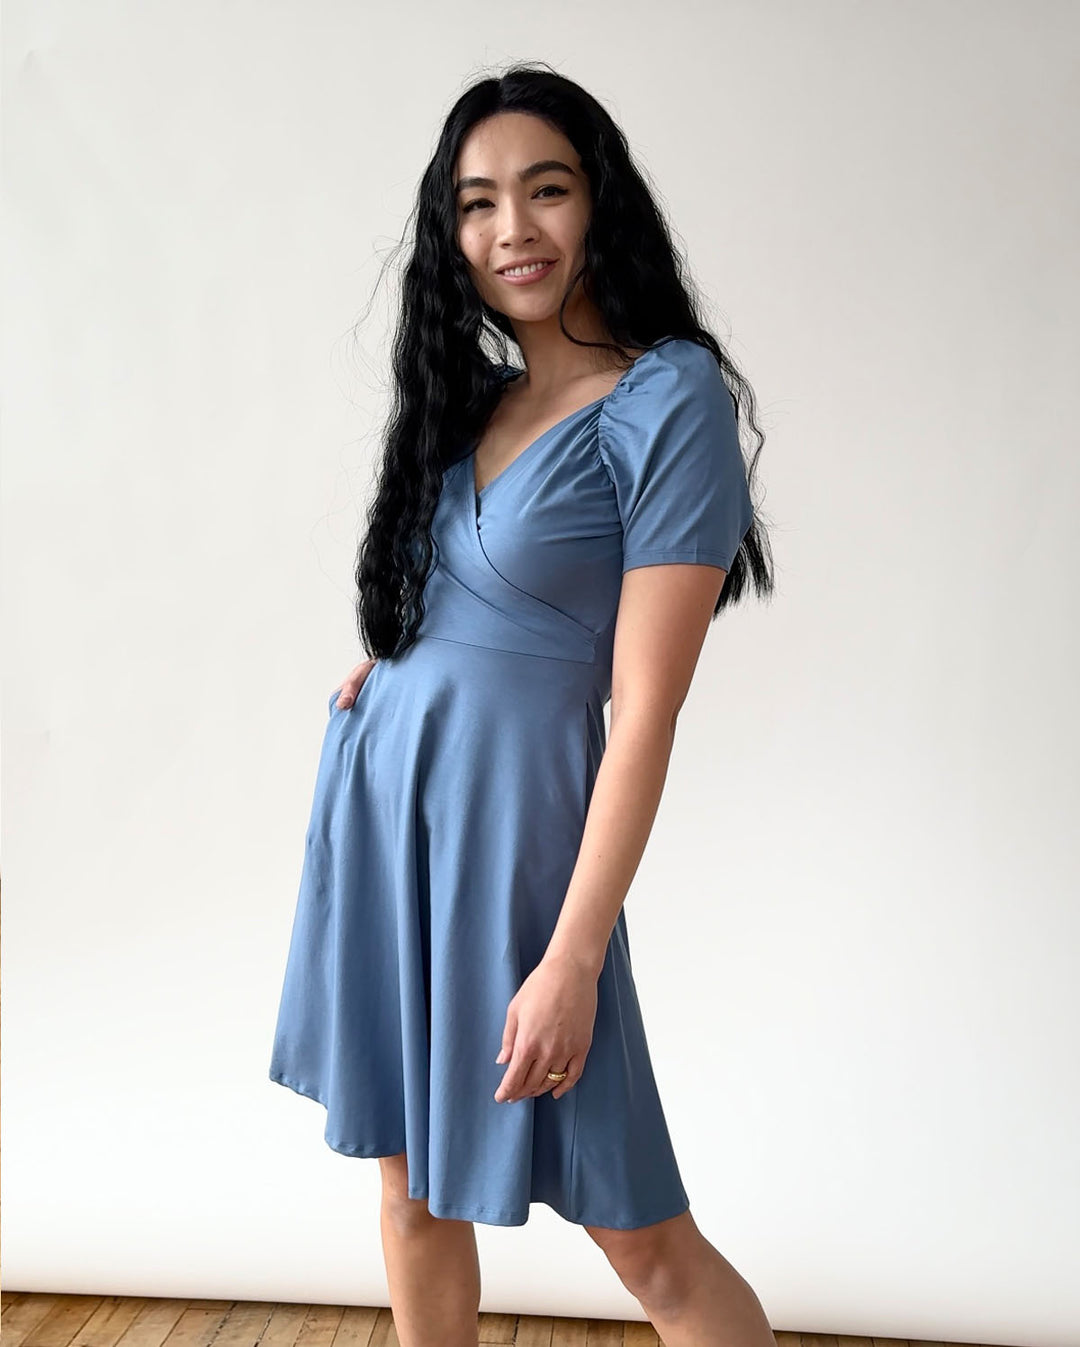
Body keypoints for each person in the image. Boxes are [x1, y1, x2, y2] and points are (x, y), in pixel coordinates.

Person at [269, 62, 777, 1347]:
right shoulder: (479, 403)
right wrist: (396, 665)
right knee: (408, 1193)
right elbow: (462, 605)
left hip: (521, 848)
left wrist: (574, 955)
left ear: (599, 201)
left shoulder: (668, 397)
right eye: (478, 202)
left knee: (644, 1237)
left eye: (545, 190)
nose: (513, 229)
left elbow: (644, 709)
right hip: (391, 813)